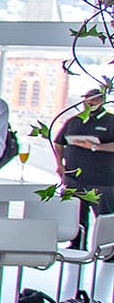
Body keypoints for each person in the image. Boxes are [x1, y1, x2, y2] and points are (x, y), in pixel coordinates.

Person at [54, 89, 114, 235]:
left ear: (102, 100)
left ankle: (105, 247)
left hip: (102, 181)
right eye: (87, 99)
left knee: (104, 219)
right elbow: (59, 143)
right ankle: (76, 244)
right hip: (74, 179)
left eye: (94, 99)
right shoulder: (74, 121)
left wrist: (96, 147)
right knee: (75, 218)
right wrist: (60, 164)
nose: (89, 102)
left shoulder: (111, 121)